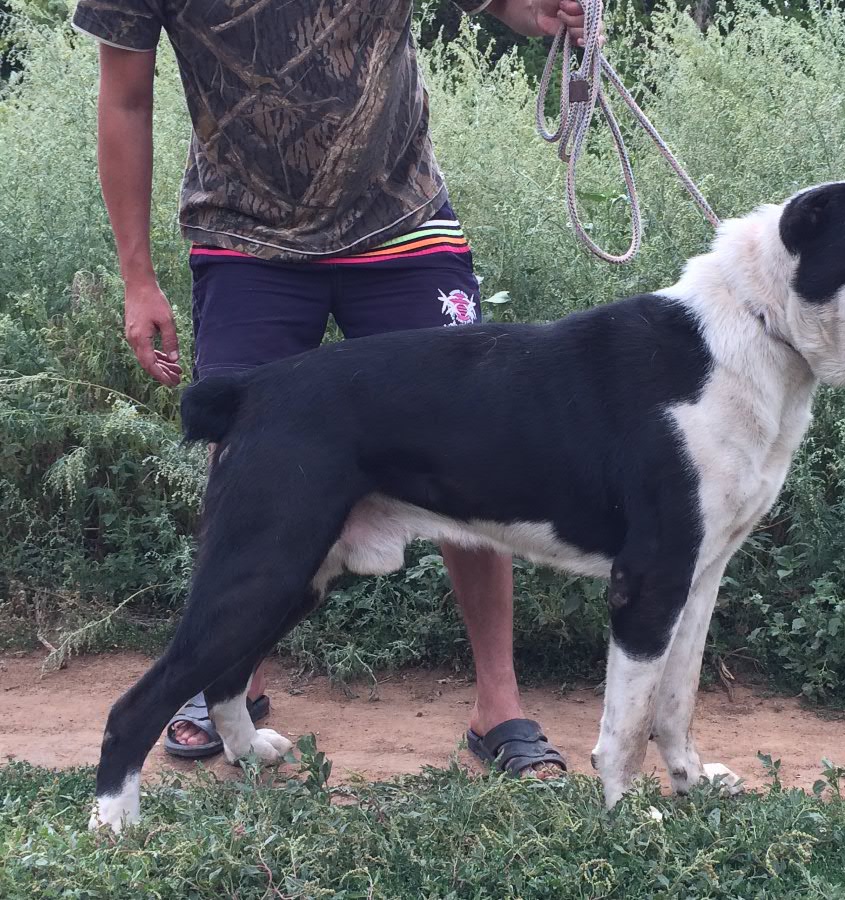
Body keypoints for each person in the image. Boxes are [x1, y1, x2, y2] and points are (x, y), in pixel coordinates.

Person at [71, 0, 589, 776]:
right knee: (246, 456)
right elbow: (125, 97)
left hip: (401, 222)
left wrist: (537, 10)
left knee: (472, 448)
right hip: (244, 235)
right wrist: (137, 279)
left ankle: (499, 705)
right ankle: (228, 684)